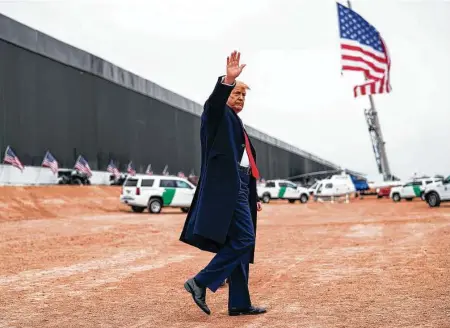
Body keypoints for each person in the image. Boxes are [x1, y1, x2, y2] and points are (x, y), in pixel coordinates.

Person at [179, 50, 266, 316]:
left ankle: (239, 302)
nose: (240, 98)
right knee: (245, 238)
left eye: (243, 95)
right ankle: (200, 281)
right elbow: (214, 103)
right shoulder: (217, 116)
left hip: (239, 187)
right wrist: (228, 79)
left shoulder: (236, 123)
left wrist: (252, 194)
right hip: (226, 190)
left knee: (241, 241)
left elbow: (242, 163)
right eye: (236, 93)